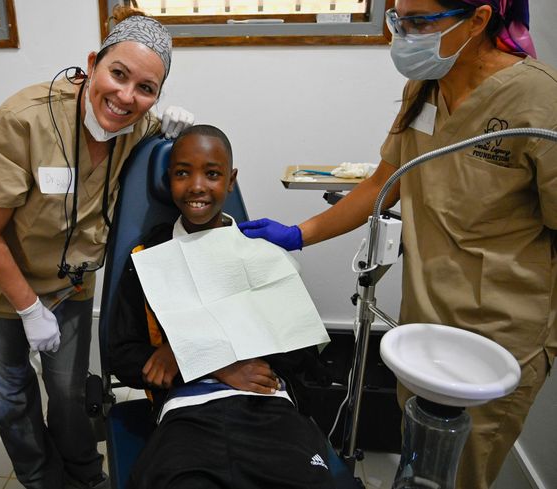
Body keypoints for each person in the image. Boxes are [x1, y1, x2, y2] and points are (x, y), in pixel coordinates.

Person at [237, 1, 557, 488]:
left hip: (499, 335)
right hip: (425, 320)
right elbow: (382, 185)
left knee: (461, 471)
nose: (402, 36)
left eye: (420, 22)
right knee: (420, 462)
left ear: (478, 19)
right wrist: (297, 234)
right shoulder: (424, 88)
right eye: (397, 20)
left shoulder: (538, 100)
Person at [0, 7, 194, 489]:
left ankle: (83, 473)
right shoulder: (23, 122)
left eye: (147, 88)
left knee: (69, 392)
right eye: (117, 74)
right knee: (14, 397)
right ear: (91, 64)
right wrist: (27, 308)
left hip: (70, 284)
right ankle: (41, 478)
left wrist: (173, 129)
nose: (126, 97)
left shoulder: (138, 126)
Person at [109, 124, 337, 489]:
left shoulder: (262, 252)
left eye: (212, 174)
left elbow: (300, 352)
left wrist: (193, 354)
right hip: (187, 413)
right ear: (169, 180)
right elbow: (123, 356)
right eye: (183, 173)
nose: (197, 186)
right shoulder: (147, 260)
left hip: (267, 406)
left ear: (230, 181)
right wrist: (214, 364)